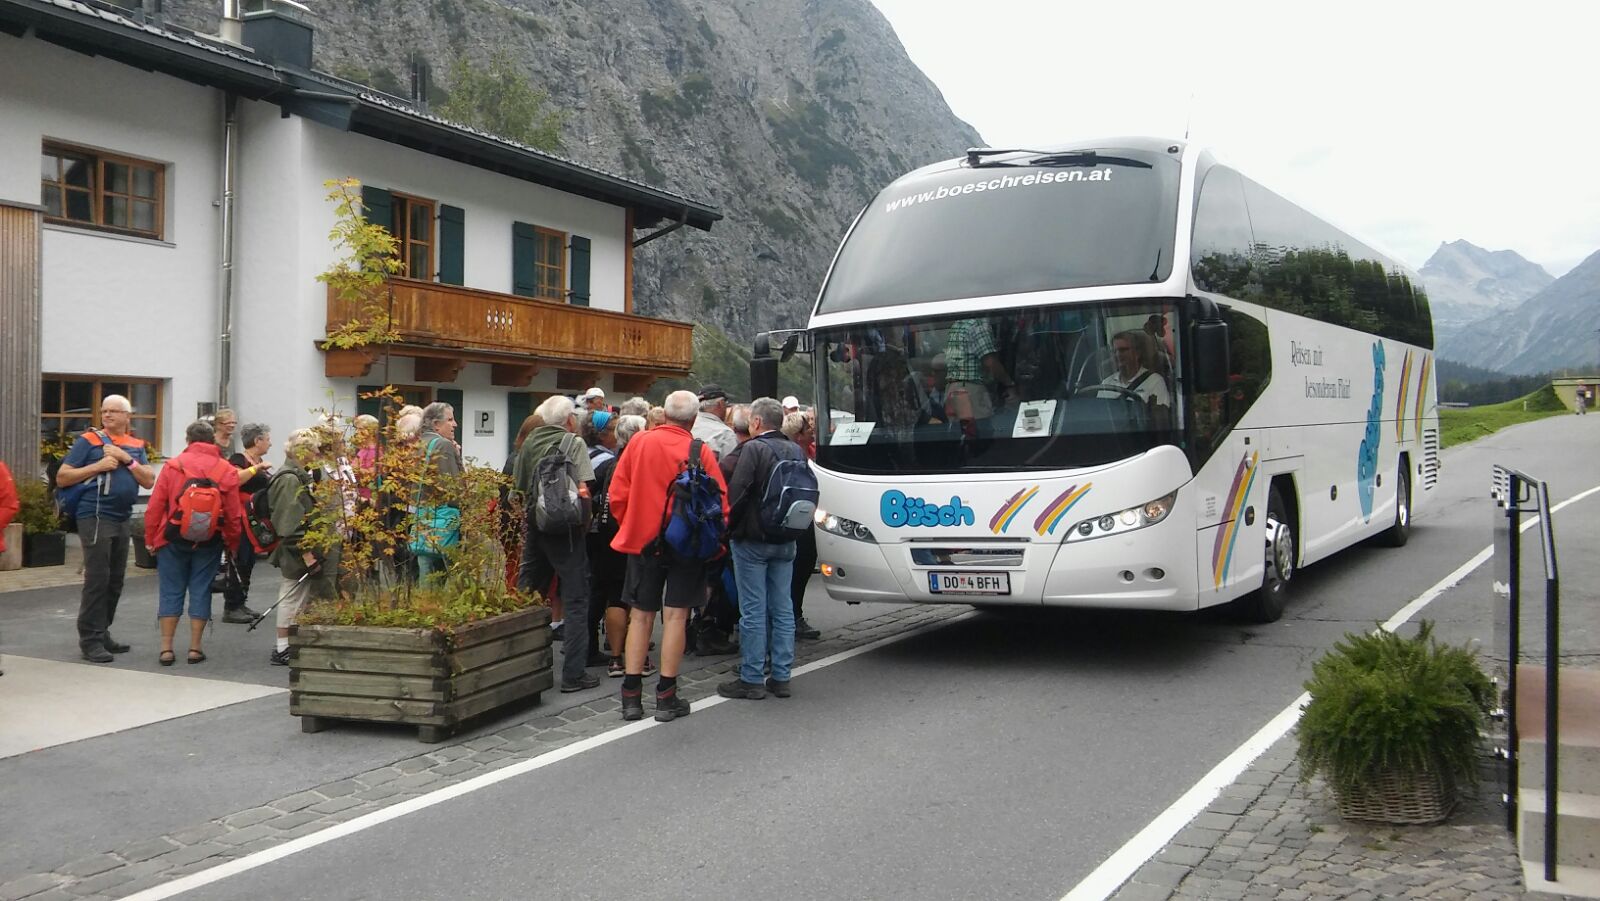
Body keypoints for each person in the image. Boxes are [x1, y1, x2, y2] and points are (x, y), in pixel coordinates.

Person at [608, 389, 729, 722]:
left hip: (644, 542)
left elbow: (617, 494)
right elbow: (721, 504)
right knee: (676, 617)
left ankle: (631, 698)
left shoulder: (639, 443)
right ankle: (666, 696)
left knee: (640, 615)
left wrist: (633, 523)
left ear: (664, 414)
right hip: (686, 543)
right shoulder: (699, 451)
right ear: (693, 419)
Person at [56, 394, 155, 662]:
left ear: (127, 417)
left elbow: (148, 480)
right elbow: (62, 477)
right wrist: (97, 466)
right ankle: (90, 639)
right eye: (104, 411)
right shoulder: (88, 441)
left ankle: (102, 631)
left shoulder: (136, 445)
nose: (107, 415)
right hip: (95, 515)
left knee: (115, 579)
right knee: (98, 578)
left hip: (122, 517)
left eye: (113, 411)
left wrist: (126, 459)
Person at [718, 397, 805, 700]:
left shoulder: (754, 449)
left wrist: (728, 528)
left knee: (753, 609)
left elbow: (738, 493)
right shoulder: (796, 449)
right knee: (783, 608)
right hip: (787, 537)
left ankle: (752, 677)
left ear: (756, 422)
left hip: (753, 538)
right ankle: (781, 676)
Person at [513, 395, 599, 693]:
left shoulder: (530, 442)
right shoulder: (573, 443)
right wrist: (585, 523)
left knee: (527, 593)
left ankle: (520, 666)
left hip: (536, 524)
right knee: (576, 599)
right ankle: (573, 674)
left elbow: (518, 489)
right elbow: (584, 487)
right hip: (567, 530)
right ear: (570, 420)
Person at [145, 420, 244, 665]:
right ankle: (195, 648)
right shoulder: (226, 469)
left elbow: (155, 506)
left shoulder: (173, 466)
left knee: (171, 589)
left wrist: (150, 538)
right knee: (201, 589)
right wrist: (232, 543)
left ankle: (166, 649)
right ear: (212, 440)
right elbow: (234, 514)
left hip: (172, 537)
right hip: (210, 539)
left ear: (188, 440)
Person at [266, 428, 337, 665]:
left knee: (297, 596)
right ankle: (282, 648)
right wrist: (308, 555)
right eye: (315, 449)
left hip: (301, 546)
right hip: (296, 549)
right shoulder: (289, 479)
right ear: (303, 451)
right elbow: (289, 524)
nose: (318, 454)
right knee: (291, 596)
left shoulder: (297, 475)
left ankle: (289, 645)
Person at [221, 422, 272, 623]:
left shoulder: (259, 461)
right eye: (267, 439)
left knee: (249, 560)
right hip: (240, 517)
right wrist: (256, 468)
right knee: (239, 559)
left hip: (254, 519)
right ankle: (231, 606)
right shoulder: (238, 459)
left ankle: (241, 602)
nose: (270, 443)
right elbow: (234, 479)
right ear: (257, 441)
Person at [782, 410, 821, 639]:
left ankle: (793, 615)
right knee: (797, 570)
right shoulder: (793, 456)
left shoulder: (809, 452)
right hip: (797, 520)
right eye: (808, 429)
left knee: (803, 568)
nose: (812, 431)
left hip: (807, 518)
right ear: (798, 434)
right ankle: (792, 617)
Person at [944, 317, 1019, 437]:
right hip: (970, 392)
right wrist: (1009, 383)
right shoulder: (978, 324)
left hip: (952, 389)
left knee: (960, 436)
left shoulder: (958, 323)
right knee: (981, 433)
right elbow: (990, 362)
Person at [414, 402, 462, 581]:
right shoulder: (443, 445)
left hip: (422, 516)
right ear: (436, 424)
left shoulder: (419, 443)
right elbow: (453, 487)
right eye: (450, 420)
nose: (455, 424)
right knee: (447, 573)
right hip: (443, 517)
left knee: (425, 571)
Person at [1099, 330, 1172, 409]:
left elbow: (1161, 414)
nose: (1117, 354)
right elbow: (1098, 411)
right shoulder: (1106, 383)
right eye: (1114, 351)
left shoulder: (1154, 381)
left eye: (1123, 350)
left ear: (1137, 353)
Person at [692, 384, 738, 460]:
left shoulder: (687, 426)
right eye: (726, 402)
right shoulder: (725, 434)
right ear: (721, 403)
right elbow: (731, 465)